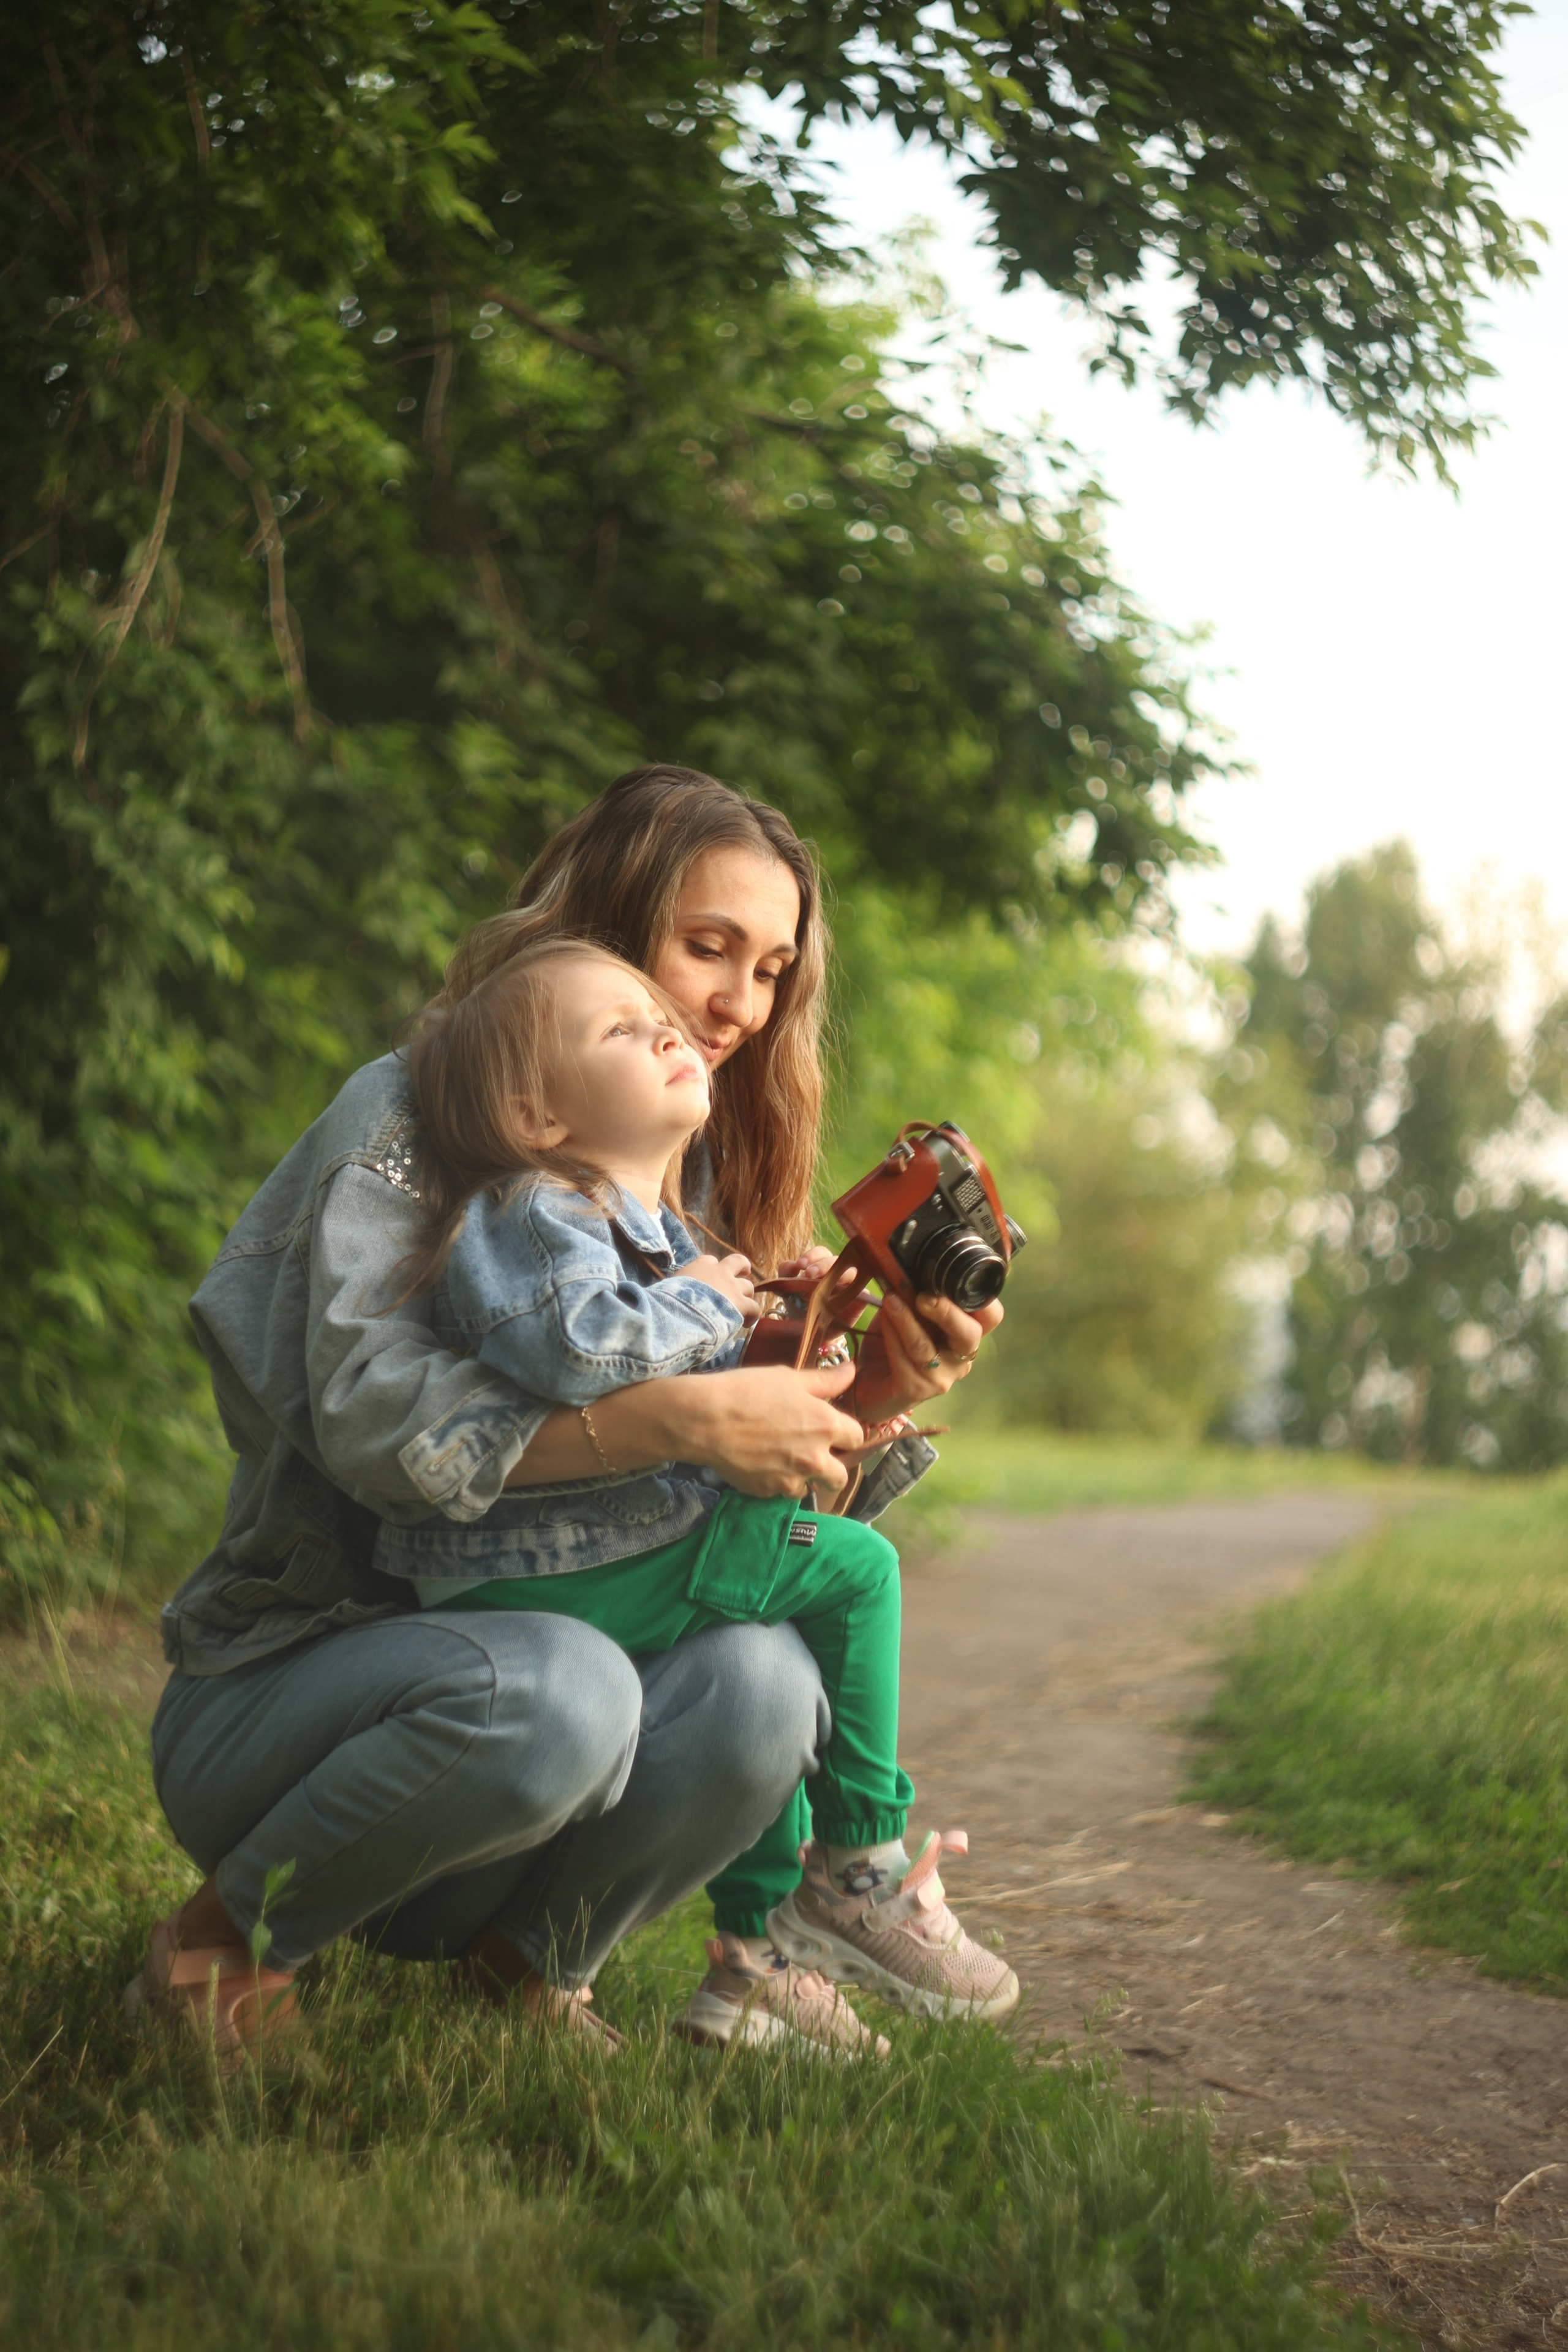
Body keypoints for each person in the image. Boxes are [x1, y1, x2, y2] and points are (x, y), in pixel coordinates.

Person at [137, 766, 1002, 2057]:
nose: (733, 1005)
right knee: (570, 1691)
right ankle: (220, 1943)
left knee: (764, 1684)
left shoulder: (669, 1158)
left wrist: (869, 1394)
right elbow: (381, 1429)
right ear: (602, 918)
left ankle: (527, 1971)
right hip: (299, 1705)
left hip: (517, 1744)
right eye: (705, 947)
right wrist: (685, 1422)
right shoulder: (420, 1112)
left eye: (768, 970)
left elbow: (711, 1519)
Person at [375, 932, 1018, 2049]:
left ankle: (755, 1958)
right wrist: (713, 1304)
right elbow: (579, 1348)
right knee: (858, 1573)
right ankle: (858, 1863)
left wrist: (804, 1318)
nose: (684, 1027)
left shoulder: (646, 1230)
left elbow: (700, 1392)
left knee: (776, 1659)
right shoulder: (532, 1208)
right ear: (538, 1115)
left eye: (772, 971)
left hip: (597, 1553)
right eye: (627, 1029)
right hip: (546, 1575)